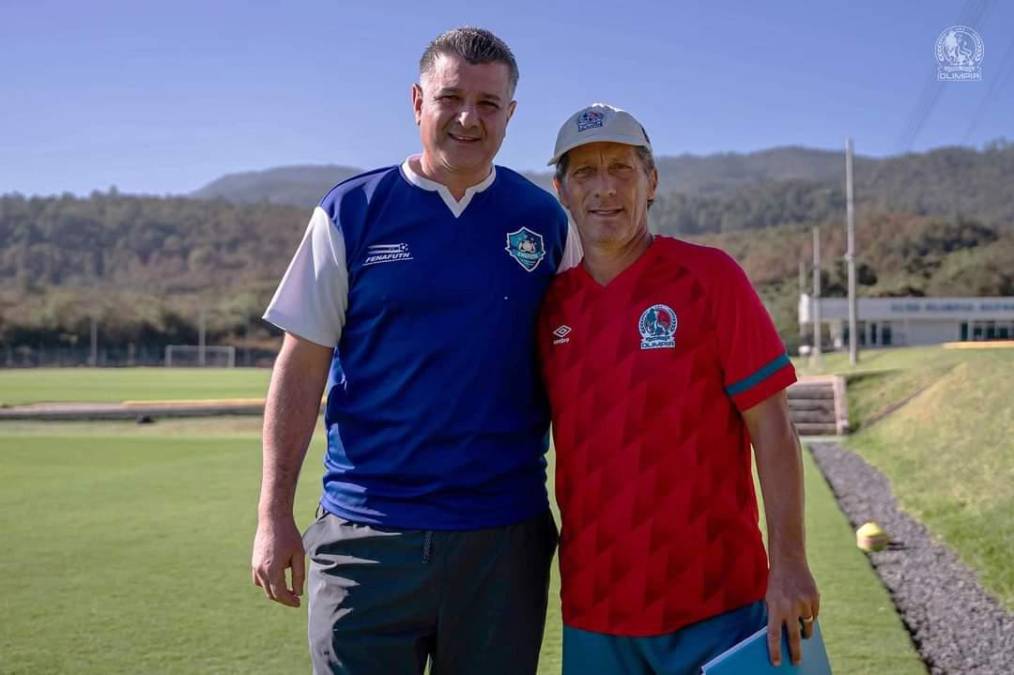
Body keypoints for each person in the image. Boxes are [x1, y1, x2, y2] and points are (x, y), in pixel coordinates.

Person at [251, 27, 580, 675]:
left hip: (503, 540)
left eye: (489, 104)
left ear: (510, 115)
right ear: (416, 102)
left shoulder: (545, 222)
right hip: (367, 538)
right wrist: (272, 515)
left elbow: (582, 373)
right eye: (450, 97)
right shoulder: (351, 212)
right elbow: (299, 369)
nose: (468, 117)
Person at [538, 103, 820, 675]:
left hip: (718, 605)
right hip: (594, 613)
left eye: (621, 168)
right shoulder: (549, 307)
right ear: (562, 191)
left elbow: (772, 427)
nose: (604, 189)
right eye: (585, 173)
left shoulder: (710, 278)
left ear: (652, 181)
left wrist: (789, 562)